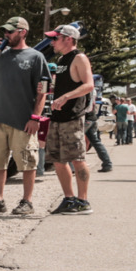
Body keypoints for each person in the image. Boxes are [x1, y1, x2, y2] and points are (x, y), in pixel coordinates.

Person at [0, 17, 48, 216]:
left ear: (23, 32)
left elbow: (43, 91)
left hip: (23, 120)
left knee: (27, 162)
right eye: (5, 31)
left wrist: (36, 117)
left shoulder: (36, 57)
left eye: (10, 31)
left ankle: (27, 202)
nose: (6, 35)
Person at [44, 25, 95, 213]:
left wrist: (66, 97)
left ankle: (83, 201)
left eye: (55, 38)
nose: (52, 42)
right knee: (57, 160)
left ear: (68, 39)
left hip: (73, 116)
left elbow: (89, 85)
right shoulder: (61, 59)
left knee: (77, 159)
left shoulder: (79, 58)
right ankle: (69, 198)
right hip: (57, 116)